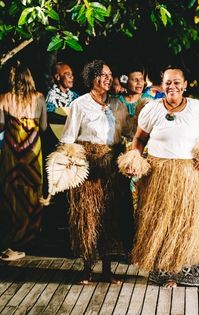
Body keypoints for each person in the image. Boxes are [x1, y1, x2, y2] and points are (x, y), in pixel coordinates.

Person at [121, 65, 199, 288]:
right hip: (159, 175)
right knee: (161, 221)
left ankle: (188, 270)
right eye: (168, 82)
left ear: (185, 85)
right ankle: (165, 271)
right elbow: (139, 139)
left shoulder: (197, 108)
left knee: (188, 221)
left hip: (192, 176)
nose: (172, 86)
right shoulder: (151, 109)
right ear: (162, 84)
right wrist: (134, 157)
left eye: (177, 82)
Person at [59, 60, 134, 284]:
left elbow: (129, 134)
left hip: (112, 166)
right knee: (88, 216)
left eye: (110, 75)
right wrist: (71, 162)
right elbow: (68, 138)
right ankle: (87, 266)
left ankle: (109, 269)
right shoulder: (79, 104)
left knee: (111, 215)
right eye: (103, 75)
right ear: (92, 78)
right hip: (87, 168)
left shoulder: (118, 105)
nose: (108, 79)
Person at [0, 61, 47, 252]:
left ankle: (13, 236)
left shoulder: (3, 98)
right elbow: (43, 127)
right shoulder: (40, 98)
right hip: (32, 154)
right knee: (34, 191)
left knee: (11, 191)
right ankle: (31, 237)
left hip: (12, 154)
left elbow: (1, 126)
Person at [42, 62, 79, 239]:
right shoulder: (50, 96)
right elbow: (51, 120)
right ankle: (53, 226)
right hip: (56, 146)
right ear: (57, 77)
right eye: (67, 74)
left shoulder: (76, 96)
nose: (71, 77)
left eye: (72, 74)